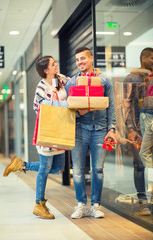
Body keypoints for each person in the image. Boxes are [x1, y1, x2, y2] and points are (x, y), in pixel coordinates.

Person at [3, 55, 68, 219]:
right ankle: (39, 204)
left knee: (57, 168)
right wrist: (50, 99)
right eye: (53, 64)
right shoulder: (41, 87)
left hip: (61, 132)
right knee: (45, 169)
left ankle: (21, 164)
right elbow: (37, 108)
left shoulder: (61, 79)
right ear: (46, 70)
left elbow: (73, 82)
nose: (56, 65)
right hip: (47, 132)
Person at [65, 46, 117, 219]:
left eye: (83, 58)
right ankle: (81, 205)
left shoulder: (104, 81)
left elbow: (111, 107)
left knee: (98, 169)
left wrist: (112, 129)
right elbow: (68, 109)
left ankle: (96, 205)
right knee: (78, 170)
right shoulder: (72, 82)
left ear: (91, 58)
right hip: (79, 130)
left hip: (100, 130)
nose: (80, 62)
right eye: (77, 59)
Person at [123, 47, 153, 215]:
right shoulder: (132, 78)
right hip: (139, 128)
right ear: (143, 58)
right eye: (152, 60)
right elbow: (126, 105)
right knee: (140, 165)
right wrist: (130, 129)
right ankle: (143, 202)